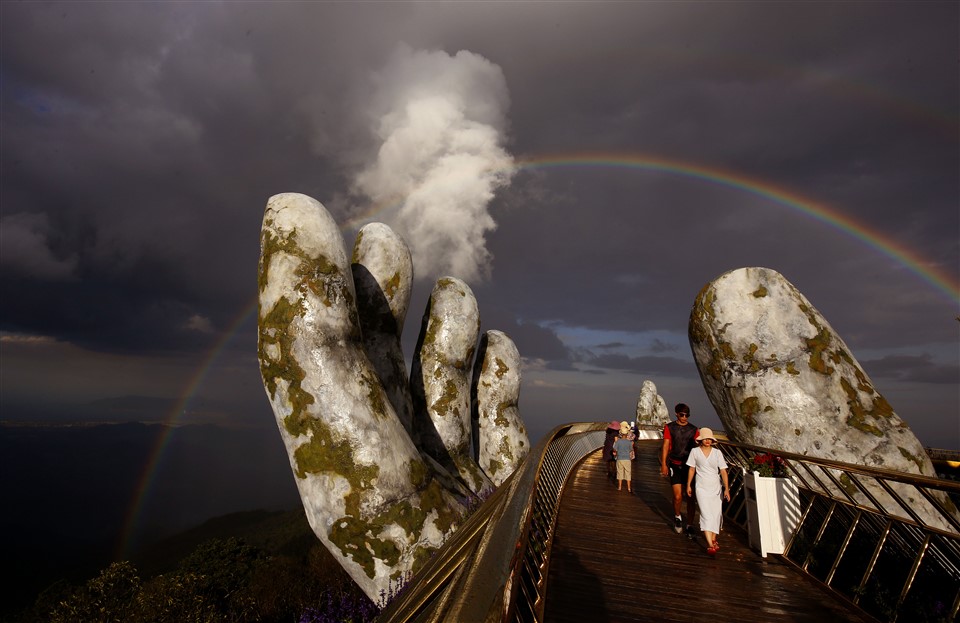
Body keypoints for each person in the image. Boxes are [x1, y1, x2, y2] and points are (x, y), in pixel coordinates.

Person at [685, 427, 730, 555]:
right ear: (700, 440)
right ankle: (710, 544)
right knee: (705, 513)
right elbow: (692, 469)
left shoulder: (717, 453)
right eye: (705, 438)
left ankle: (714, 538)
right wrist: (689, 485)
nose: (707, 441)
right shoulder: (695, 452)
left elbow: (723, 471)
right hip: (701, 486)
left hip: (715, 486)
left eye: (709, 439)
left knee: (716, 513)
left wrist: (726, 488)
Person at [660, 403, 699, 534]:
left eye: (687, 415)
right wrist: (664, 464)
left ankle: (689, 524)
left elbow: (699, 447)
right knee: (677, 496)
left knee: (690, 497)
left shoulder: (694, 429)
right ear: (676, 413)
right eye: (682, 414)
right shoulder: (669, 427)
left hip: (690, 467)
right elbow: (665, 446)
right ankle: (677, 516)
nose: (684, 417)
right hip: (674, 464)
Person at [612, 421, 635, 492]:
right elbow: (631, 450)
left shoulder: (618, 441)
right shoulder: (629, 442)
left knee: (620, 472)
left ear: (621, 433)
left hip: (620, 459)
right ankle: (628, 488)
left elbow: (615, 449)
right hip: (627, 459)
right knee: (628, 472)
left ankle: (619, 487)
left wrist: (615, 452)